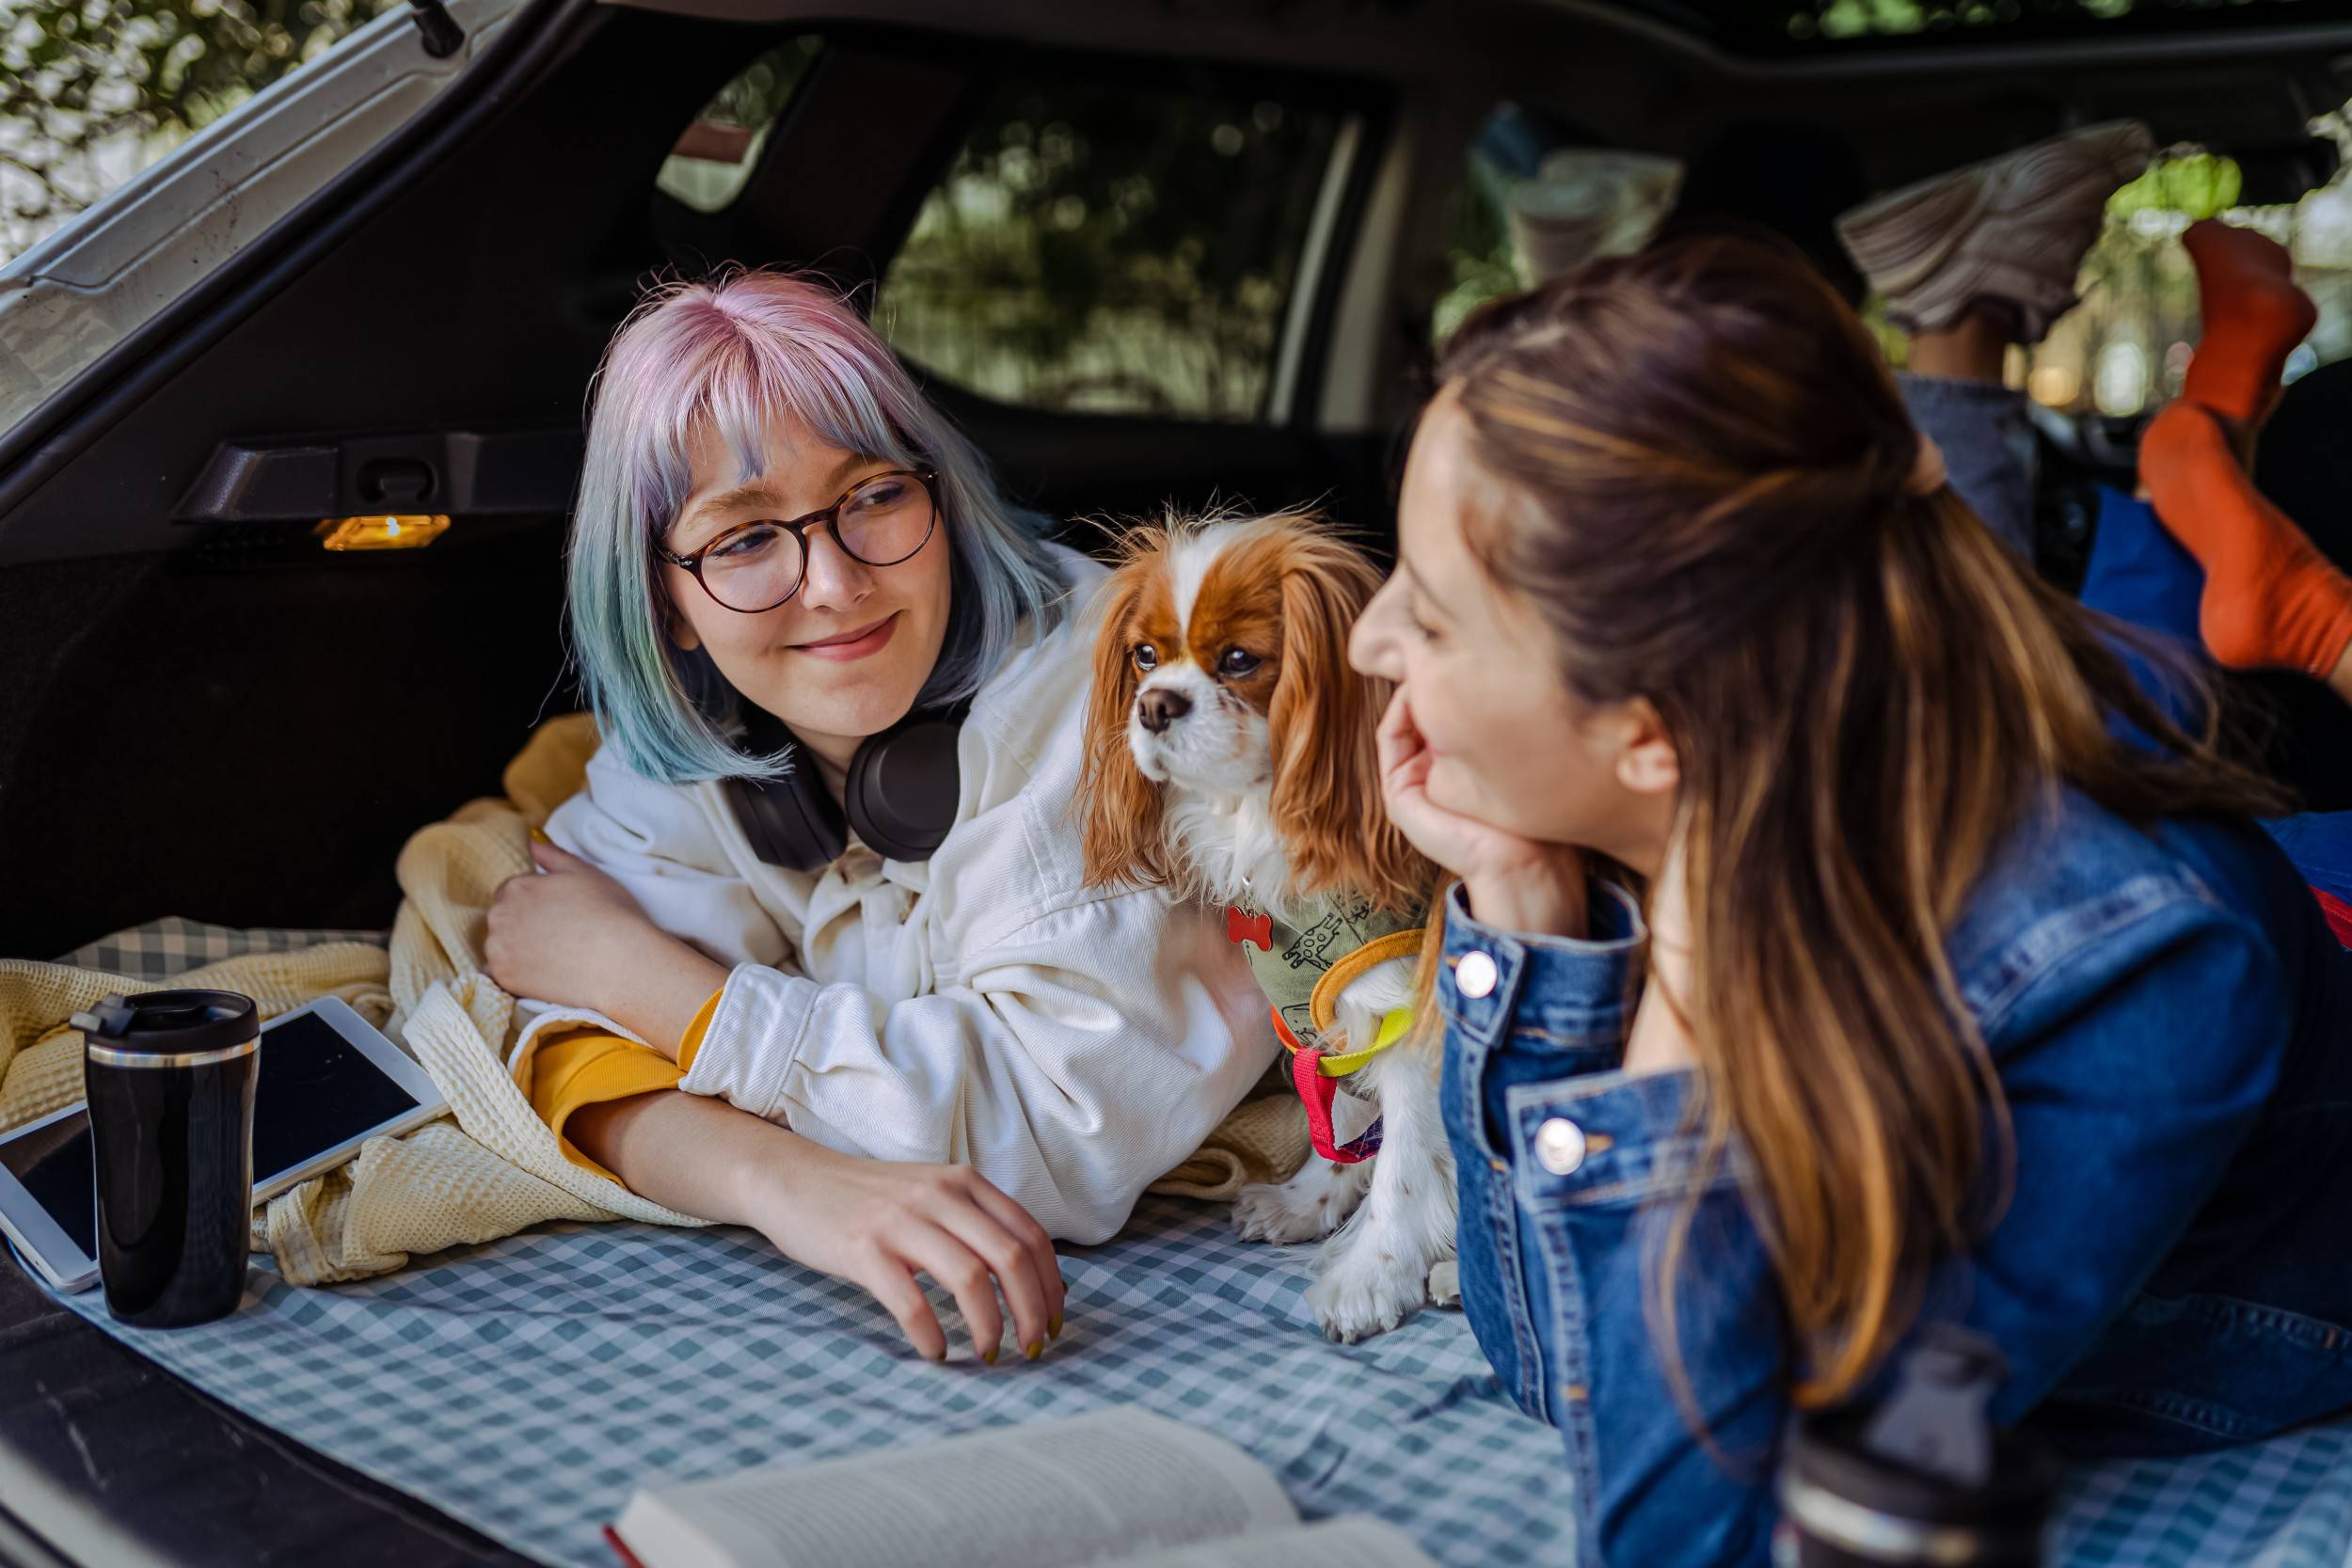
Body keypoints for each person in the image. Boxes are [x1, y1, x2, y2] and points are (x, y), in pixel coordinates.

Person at [1346, 232, 2352, 1567]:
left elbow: (1701, 1532)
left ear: (1655, 732)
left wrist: (1682, 1023)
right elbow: (1562, 1365)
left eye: (1430, 612)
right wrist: (1525, 901)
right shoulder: (1723, 806)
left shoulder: (2137, 963)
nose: (1369, 641)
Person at [483, 272, 1272, 1365]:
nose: (834, 584)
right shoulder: (701, 723)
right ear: (667, 600)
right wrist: (790, 1182)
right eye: (744, 539)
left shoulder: (1109, 705)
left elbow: (1048, 1143)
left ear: (938, 497)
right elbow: (545, 1021)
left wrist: (662, 989)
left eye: (871, 497)